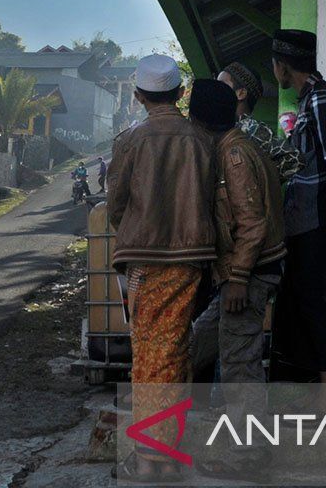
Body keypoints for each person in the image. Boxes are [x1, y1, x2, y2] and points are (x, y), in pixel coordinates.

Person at [108, 54, 217, 482]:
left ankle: (152, 457)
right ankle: (163, 454)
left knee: (150, 354)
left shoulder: (131, 140)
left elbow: (116, 204)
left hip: (147, 262)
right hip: (191, 261)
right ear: (180, 93)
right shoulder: (201, 140)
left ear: (138, 96)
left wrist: (137, 232)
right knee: (172, 350)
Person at [188, 79, 285, 478]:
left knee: (240, 364)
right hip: (242, 271)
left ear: (200, 119)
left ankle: (249, 456)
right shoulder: (230, 147)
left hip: (250, 273)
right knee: (199, 342)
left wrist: (239, 279)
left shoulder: (235, 156)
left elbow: (252, 224)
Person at [268, 29, 326, 414]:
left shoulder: (322, 98)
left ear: (283, 66)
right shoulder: (308, 101)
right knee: (297, 298)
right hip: (303, 218)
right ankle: (311, 386)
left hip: (318, 215)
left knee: (312, 299)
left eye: (274, 64)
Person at [217, 62, 302, 181]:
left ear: (241, 93)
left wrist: (259, 182)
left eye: (221, 86)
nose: (215, 91)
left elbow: (294, 159)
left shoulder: (251, 129)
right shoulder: (229, 128)